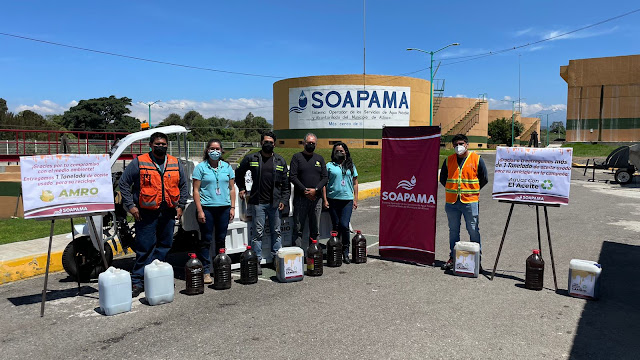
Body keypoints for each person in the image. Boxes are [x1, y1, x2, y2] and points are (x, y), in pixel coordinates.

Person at [119, 132, 189, 297]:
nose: (161, 146)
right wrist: (130, 206)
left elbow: (184, 185)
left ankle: (158, 277)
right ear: (150, 145)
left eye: (164, 144)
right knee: (145, 247)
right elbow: (123, 183)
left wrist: (181, 206)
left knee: (164, 246)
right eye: (157, 143)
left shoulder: (174, 162)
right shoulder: (139, 162)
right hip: (146, 213)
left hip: (168, 212)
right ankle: (138, 281)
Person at [235, 131, 290, 275]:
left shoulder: (280, 161)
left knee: (276, 232)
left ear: (274, 144)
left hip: (275, 204)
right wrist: (241, 188)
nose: (268, 144)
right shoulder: (252, 158)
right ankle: (256, 261)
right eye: (266, 142)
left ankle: (276, 260)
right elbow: (239, 173)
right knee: (257, 233)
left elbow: (286, 184)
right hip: (258, 202)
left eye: (271, 142)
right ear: (261, 143)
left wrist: (284, 200)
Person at [439, 134, 488, 271]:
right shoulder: (448, 160)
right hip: (452, 202)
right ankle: (453, 257)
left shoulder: (477, 159)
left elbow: (483, 179)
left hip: (470, 202)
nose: (458, 147)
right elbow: (443, 178)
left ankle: (476, 259)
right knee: (453, 231)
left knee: (473, 229)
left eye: (460, 143)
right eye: (455, 144)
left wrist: (472, 190)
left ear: (467, 144)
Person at [192, 139, 235, 284]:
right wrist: (199, 210)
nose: (215, 151)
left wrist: (233, 207)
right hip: (207, 208)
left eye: (217, 148)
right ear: (207, 150)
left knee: (220, 240)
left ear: (221, 150)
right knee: (206, 240)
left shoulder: (227, 167)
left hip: (224, 208)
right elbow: (196, 190)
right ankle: (205, 270)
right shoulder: (200, 168)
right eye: (212, 148)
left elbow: (231, 189)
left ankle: (220, 268)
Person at [289, 133, 328, 249]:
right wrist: (305, 190)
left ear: (316, 144)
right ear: (304, 143)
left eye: (313, 143)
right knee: (298, 229)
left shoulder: (319, 159)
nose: (310, 145)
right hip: (301, 199)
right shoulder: (297, 157)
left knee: (315, 230)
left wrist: (315, 190)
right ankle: (297, 256)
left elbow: (325, 177)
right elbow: (292, 176)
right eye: (308, 143)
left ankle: (314, 254)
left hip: (316, 199)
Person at [322, 142, 358, 263]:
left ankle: (345, 251)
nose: (339, 153)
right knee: (336, 226)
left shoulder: (350, 165)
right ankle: (335, 250)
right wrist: (325, 199)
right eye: (337, 151)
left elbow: (355, 182)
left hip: (347, 200)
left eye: (341, 151)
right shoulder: (329, 166)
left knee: (344, 225)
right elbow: (324, 183)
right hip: (333, 199)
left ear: (346, 152)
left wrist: (356, 198)